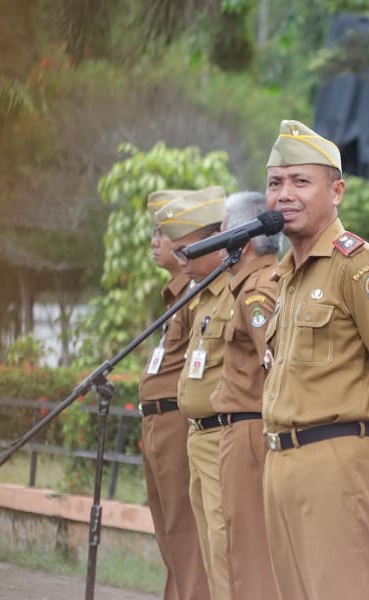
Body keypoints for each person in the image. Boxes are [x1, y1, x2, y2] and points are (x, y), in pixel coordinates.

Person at [261, 120, 369, 600]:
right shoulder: (285, 275)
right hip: (280, 462)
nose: (285, 194)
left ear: (337, 190)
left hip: (337, 463)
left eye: (300, 182)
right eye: (275, 183)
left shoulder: (358, 264)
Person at [158, 186, 233, 600]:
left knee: (225, 554)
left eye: (186, 250)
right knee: (203, 547)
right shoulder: (200, 295)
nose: (179, 260)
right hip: (196, 434)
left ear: (216, 241)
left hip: (225, 436)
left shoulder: (239, 293)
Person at [138, 190, 210, 600]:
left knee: (184, 534)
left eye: (164, 232)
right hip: (159, 424)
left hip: (178, 423)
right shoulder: (176, 293)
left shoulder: (197, 292)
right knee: (170, 534)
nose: (155, 241)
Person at [209, 191, 280, 600]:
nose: (217, 238)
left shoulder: (259, 291)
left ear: (244, 241)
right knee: (240, 544)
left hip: (251, 431)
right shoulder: (251, 285)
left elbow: (274, 364)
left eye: (222, 230)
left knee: (249, 549)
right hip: (245, 429)